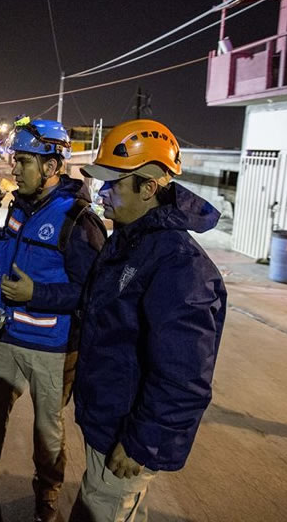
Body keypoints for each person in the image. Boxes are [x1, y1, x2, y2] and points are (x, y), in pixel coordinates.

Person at [0, 118, 107, 522]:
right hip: (5, 333)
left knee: (46, 431)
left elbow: (92, 292)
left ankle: (48, 491)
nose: (13, 170)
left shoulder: (78, 219)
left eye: (23, 161)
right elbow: (14, 261)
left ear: (51, 167)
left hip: (52, 348)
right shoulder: (19, 205)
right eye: (15, 161)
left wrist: (39, 295)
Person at [71, 119, 226, 522]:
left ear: (149, 187)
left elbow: (185, 374)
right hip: (108, 421)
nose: (102, 194)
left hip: (127, 435)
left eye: (113, 185)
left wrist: (144, 442)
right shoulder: (131, 239)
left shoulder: (179, 264)